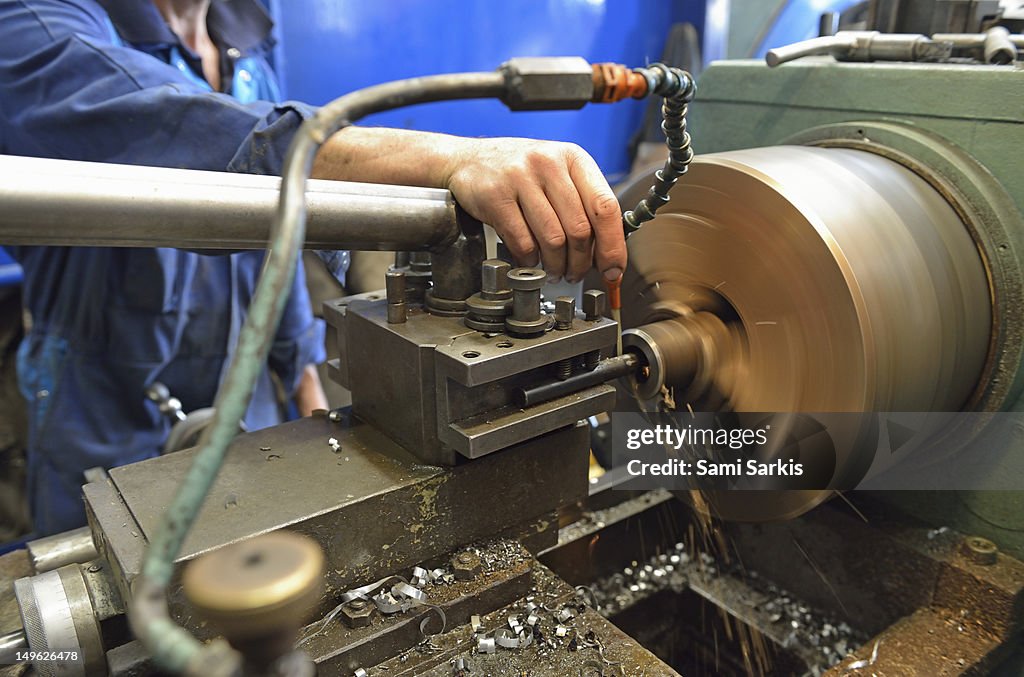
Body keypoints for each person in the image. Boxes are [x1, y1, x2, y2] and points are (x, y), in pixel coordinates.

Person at [0, 0, 627, 536]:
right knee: (111, 592)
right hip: (102, 414)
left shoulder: (243, 37)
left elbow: (278, 235)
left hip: (247, 402)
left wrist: (301, 370)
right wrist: (441, 159)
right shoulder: (37, 22)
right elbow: (171, 131)